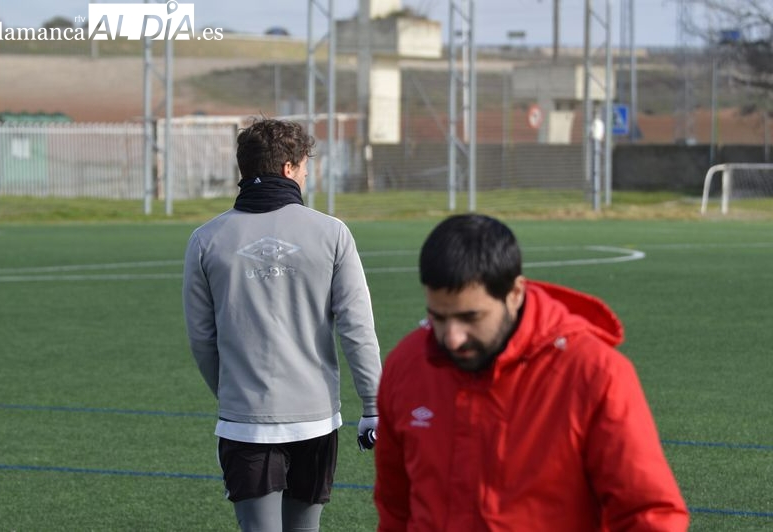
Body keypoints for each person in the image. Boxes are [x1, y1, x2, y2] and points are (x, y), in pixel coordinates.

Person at [373, 214, 689, 531]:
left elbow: (649, 515)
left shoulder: (594, 373)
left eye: (471, 317)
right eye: (438, 317)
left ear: (515, 293)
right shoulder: (407, 365)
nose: (453, 337)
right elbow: (395, 507)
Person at [183, 118, 381, 532]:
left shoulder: (205, 239)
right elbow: (357, 326)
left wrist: (235, 391)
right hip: (316, 420)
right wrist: (373, 406)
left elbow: (202, 338)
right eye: (305, 165)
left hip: (245, 421)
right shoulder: (333, 233)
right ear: (289, 168)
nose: (308, 173)